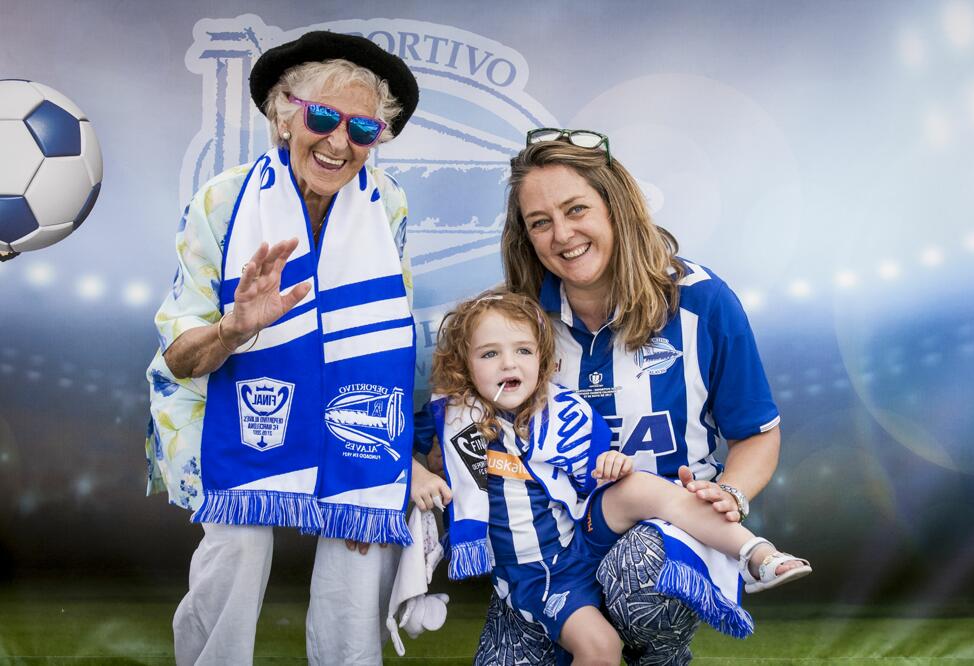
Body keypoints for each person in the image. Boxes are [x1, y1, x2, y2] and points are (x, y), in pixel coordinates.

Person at [459, 129, 792, 665]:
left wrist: (730, 492)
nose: (562, 234)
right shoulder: (516, 320)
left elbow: (756, 433)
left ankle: (658, 654)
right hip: (558, 546)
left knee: (639, 570)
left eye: (576, 210)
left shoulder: (702, 301)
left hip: (662, 531)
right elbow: (468, 426)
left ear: (615, 205)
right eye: (540, 222)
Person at [145, 31, 420, 665]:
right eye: (321, 117)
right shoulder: (222, 198)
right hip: (222, 398)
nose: (337, 141)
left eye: (362, 130)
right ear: (282, 113)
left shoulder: (390, 205)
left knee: (362, 526)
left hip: (348, 395)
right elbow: (181, 357)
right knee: (239, 542)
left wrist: (388, 458)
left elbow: (388, 336)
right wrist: (236, 329)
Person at [411, 291, 809, 664]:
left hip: (581, 536)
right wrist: (418, 476)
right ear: (464, 364)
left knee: (637, 486)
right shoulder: (455, 417)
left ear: (542, 359)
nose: (509, 364)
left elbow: (594, 474)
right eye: (490, 354)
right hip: (540, 574)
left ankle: (754, 554)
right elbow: (395, 450)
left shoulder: (561, 409)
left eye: (523, 351)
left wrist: (613, 466)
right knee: (602, 647)